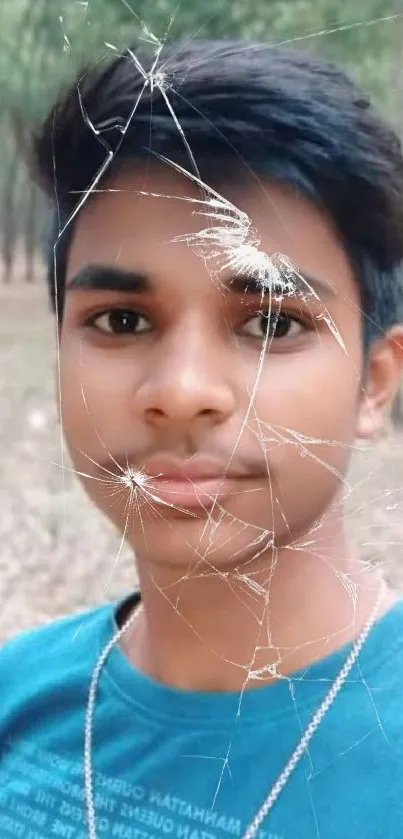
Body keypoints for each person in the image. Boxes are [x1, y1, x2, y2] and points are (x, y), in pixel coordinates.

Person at [1, 38, 403, 839]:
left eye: (269, 322)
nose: (181, 392)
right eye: (121, 320)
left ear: (375, 381)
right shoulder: (18, 699)